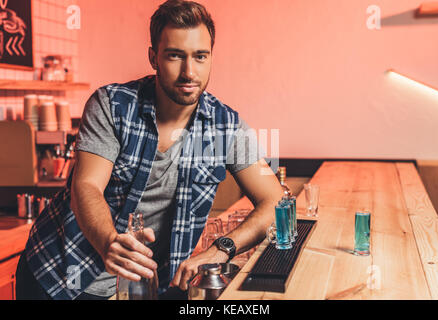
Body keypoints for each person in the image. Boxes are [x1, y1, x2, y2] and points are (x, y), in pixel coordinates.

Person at [15, 0, 283, 300]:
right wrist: (108, 242)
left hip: (142, 287)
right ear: (153, 57)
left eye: (200, 56)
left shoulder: (226, 126)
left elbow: (275, 201)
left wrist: (221, 250)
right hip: (59, 276)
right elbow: (86, 186)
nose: (189, 72)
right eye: (175, 56)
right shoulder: (111, 105)